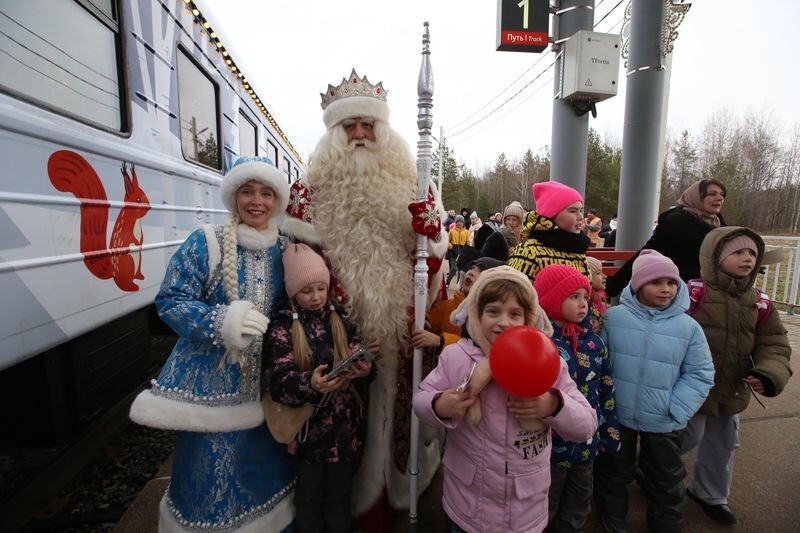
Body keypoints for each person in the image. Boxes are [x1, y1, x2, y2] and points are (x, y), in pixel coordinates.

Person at [285, 69, 448, 529]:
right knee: (341, 430)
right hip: (336, 335)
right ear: (334, 133)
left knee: (399, 419)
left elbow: (433, 270)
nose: (359, 134)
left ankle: (398, 497)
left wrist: (431, 233)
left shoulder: (416, 184)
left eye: (368, 124)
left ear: (383, 129)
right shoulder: (307, 193)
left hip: (400, 333)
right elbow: (297, 266)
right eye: (349, 126)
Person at [129, 156, 301, 531]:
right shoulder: (206, 241)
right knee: (209, 478)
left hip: (266, 385)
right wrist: (221, 322)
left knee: (266, 474)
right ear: (234, 196)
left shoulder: (286, 247)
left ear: (277, 200)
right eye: (247, 191)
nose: (257, 201)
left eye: (266, 193)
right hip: (212, 388)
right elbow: (171, 300)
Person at [412, 266, 598, 533]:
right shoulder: (456, 357)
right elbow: (420, 401)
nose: (503, 322)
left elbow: (586, 425)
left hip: (524, 511)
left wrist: (553, 405)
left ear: (529, 318)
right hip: (467, 505)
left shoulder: (547, 360)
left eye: (514, 314)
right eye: (493, 311)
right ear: (476, 314)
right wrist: (440, 405)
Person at [594, 250, 714, 533]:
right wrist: (603, 404)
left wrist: (677, 407)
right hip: (618, 416)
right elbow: (599, 361)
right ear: (637, 285)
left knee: (666, 480)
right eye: (656, 282)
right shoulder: (614, 319)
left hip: (663, 419)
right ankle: (612, 520)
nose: (666, 289)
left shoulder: (689, 328)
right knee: (613, 472)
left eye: (671, 283)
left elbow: (700, 373)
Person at [680, 227, 792, 525]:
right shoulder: (692, 295)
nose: (747, 259)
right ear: (714, 257)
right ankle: (652, 469)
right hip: (693, 387)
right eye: (738, 252)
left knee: (723, 442)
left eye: (752, 253)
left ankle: (711, 493)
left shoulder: (759, 302)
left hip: (732, 387)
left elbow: (774, 343)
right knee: (684, 436)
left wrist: (768, 373)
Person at [264, 243, 375, 533]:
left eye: (321, 288)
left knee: (341, 499)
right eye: (306, 291)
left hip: (343, 433)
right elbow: (278, 382)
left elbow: (355, 348)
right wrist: (310, 384)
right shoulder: (282, 327)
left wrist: (364, 369)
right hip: (308, 438)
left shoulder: (340, 318)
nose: (315, 297)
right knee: (309, 500)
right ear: (292, 292)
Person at [533, 265, 620, 533]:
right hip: (549, 449)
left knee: (579, 502)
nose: (584, 303)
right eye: (574, 296)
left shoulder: (594, 343)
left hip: (587, 444)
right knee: (544, 504)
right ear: (550, 299)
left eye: (585, 296)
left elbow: (605, 388)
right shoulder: (538, 342)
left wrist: (609, 431)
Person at [606, 179, 727, 297]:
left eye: (722, 194)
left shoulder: (720, 224)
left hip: (717, 289)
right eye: (712, 194)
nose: (719, 198)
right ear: (696, 197)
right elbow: (649, 252)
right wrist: (613, 286)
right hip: (681, 290)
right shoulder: (677, 223)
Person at [412, 256, 504, 352]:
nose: (471, 272)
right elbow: (428, 320)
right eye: (471, 268)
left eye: (480, 272)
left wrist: (441, 341)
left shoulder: (489, 316)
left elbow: (482, 348)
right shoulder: (448, 305)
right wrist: (417, 322)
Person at [508, 181, 592, 283]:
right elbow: (515, 290)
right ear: (552, 215)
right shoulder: (528, 252)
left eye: (581, 210)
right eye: (573, 211)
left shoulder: (577, 248)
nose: (580, 217)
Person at [586, 256, 608, 333]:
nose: (605, 276)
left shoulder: (599, 297)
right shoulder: (588, 301)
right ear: (588, 277)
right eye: (598, 273)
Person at [447, 215, 469, 287]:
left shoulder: (466, 232)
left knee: (460, 270)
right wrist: (451, 246)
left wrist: (467, 247)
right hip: (453, 252)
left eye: (461, 222)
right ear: (456, 222)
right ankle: (448, 280)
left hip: (462, 252)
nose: (459, 223)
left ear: (463, 223)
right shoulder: (452, 231)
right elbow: (447, 241)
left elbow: (468, 241)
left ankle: (458, 285)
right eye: (458, 222)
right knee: (454, 268)